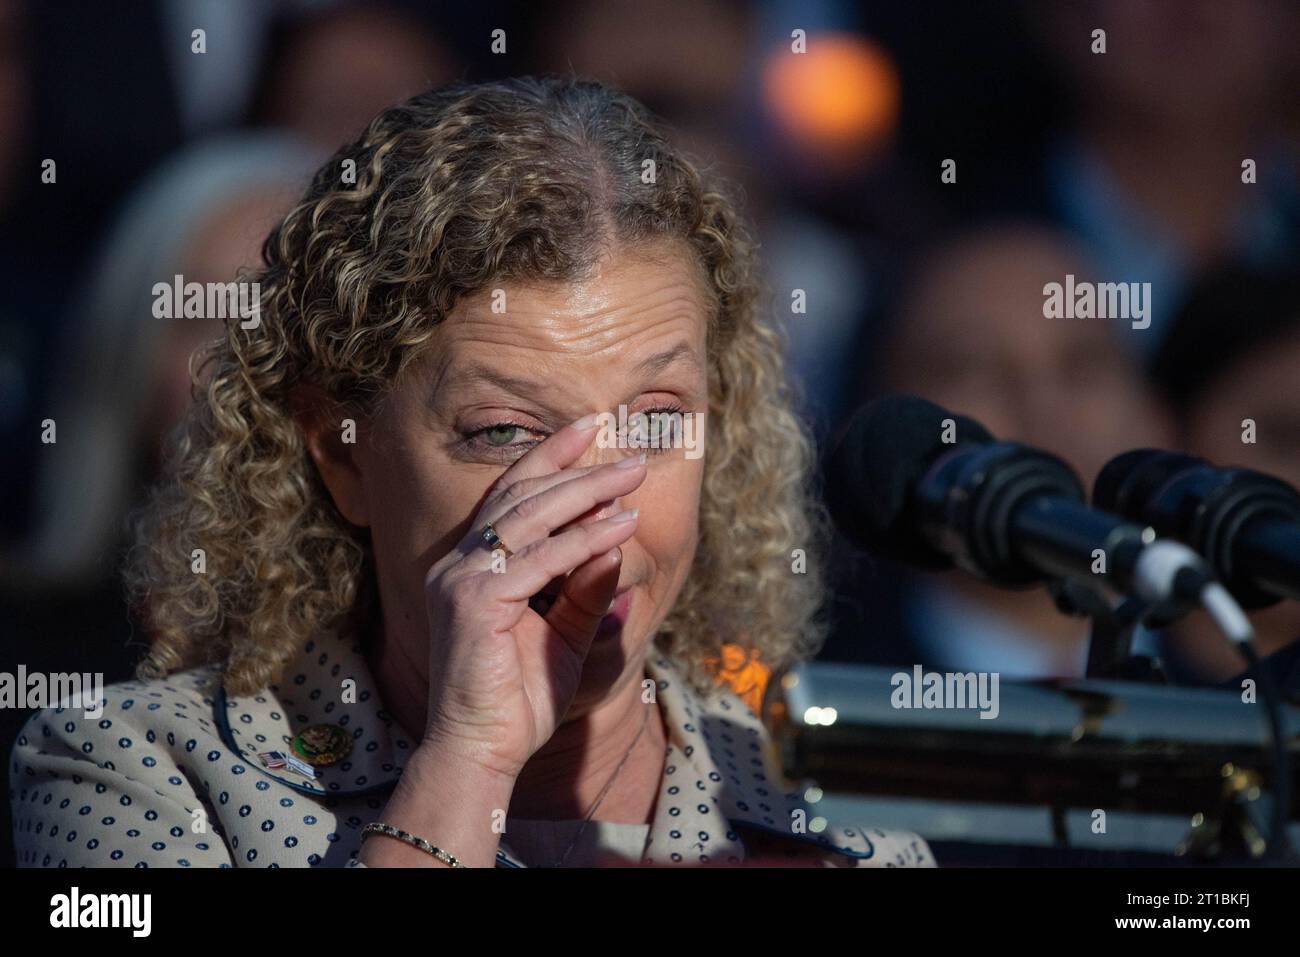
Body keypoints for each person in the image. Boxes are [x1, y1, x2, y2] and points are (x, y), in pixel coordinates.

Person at [10, 76, 932, 869]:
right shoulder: (136, 766)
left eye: (657, 421)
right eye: (504, 432)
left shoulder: (845, 818)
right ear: (343, 454)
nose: (597, 507)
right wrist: (468, 762)